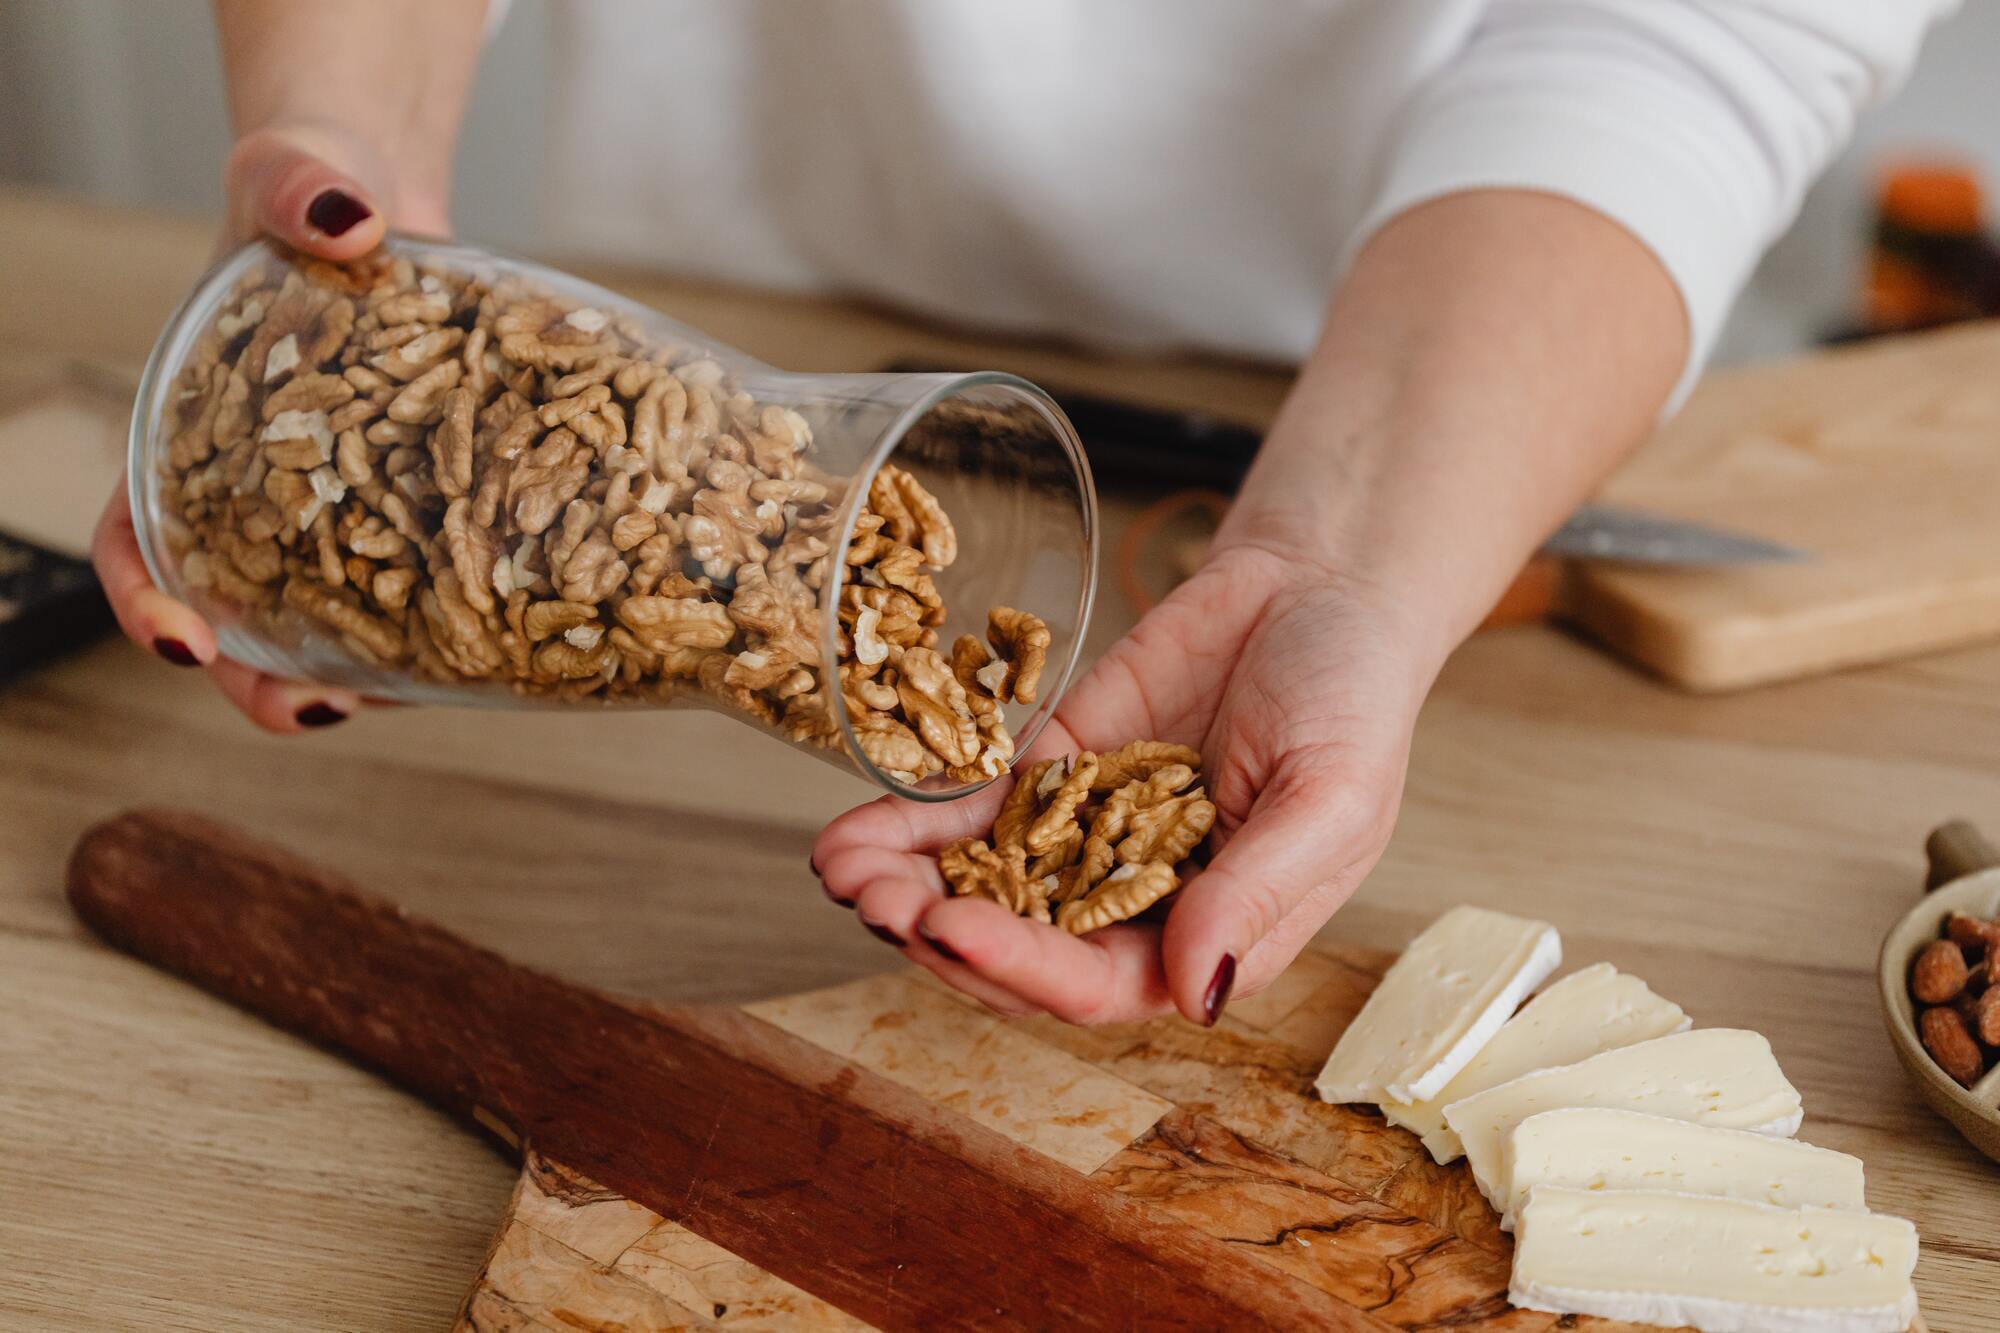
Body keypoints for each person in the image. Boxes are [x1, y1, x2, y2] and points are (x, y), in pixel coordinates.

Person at [94, 0, 1955, 1028]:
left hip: (1401, 345)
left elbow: (1698, 32)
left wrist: (1339, 563)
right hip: (718, 299)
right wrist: (358, 177)